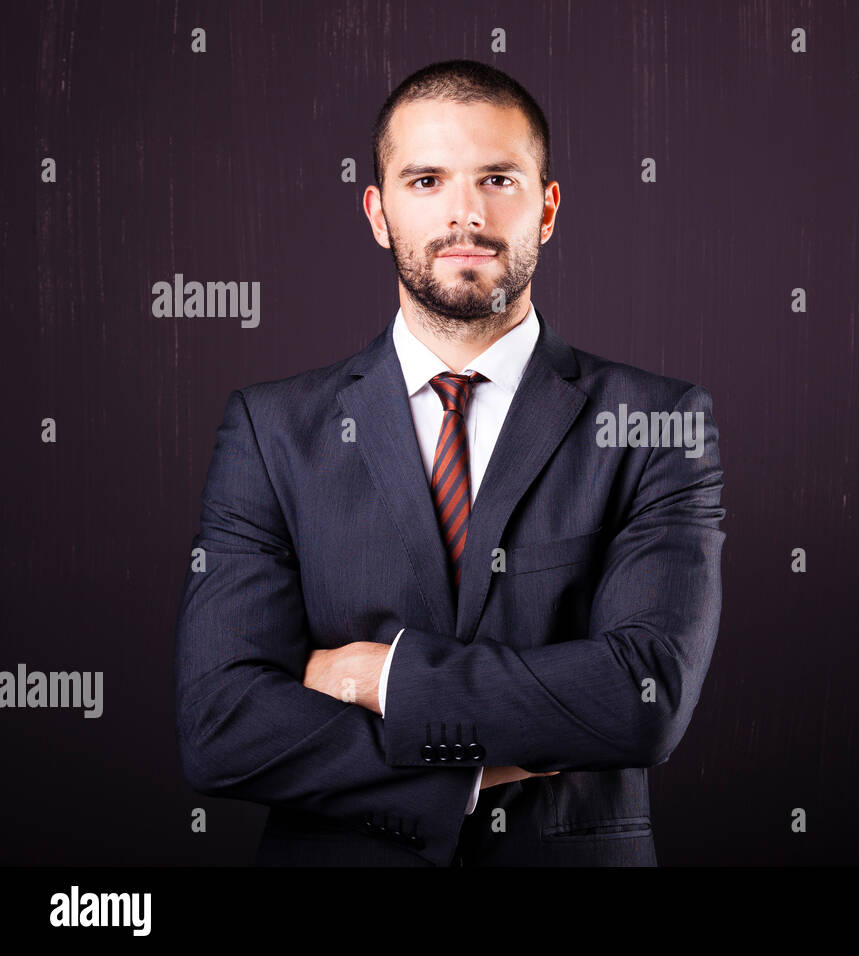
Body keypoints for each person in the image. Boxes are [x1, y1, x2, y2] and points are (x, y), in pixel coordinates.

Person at [172, 59, 725, 866]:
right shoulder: (270, 428)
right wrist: (461, 780)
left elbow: (643, 699)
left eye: (498, 178)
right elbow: (220, 725)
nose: (465, 214)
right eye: (426, 180)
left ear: (547, 207)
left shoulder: (659, 423)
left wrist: (381, 678)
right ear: (377, 212)